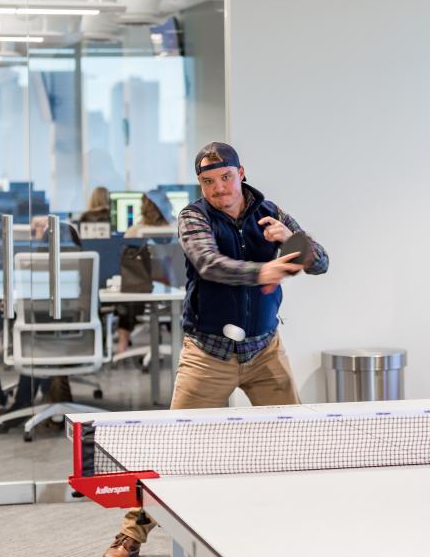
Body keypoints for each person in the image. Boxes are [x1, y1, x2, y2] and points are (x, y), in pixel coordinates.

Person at [104, 142, 330, 557]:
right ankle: (131, 534)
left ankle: (302, 527)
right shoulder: (193, 216)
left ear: (240, 173)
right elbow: (207, 263)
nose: (218, 188)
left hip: (265, 353)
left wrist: (293, 240)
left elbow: (321, 263)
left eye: (225, 178)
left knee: (295, 443)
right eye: (208, 182)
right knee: (175, 450)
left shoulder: (272, 212)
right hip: (207, 354)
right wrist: (264, 270)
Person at [114, 190, 175, 356]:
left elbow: (125, 262)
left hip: (143, 290)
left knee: (127, 296)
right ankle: (179, 342)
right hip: (173, 290)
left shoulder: (135, 230)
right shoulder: (176, 227)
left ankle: (122, 345)